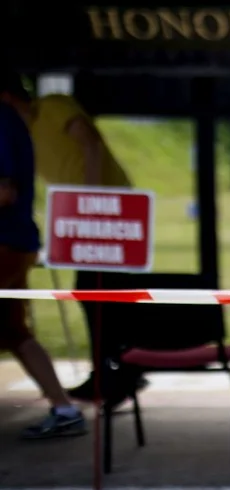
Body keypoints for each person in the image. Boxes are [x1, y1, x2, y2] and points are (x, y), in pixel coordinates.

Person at [0, 70, 145, 408]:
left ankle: (118, 371)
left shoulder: (51, 107)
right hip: (84, 215)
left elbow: (89, 142)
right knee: (93, 294)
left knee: (103, 294)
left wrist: (90, 200)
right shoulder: (23, 133)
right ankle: (110, 372)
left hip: (107, 209)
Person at [0, 94, 87, 439]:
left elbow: (4, 191)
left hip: (5, 240)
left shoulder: (2, 120)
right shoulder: (10, 120)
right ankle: (64, 407)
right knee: (13, 330)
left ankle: (64, 407)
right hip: (14, 240)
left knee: (13, 330)